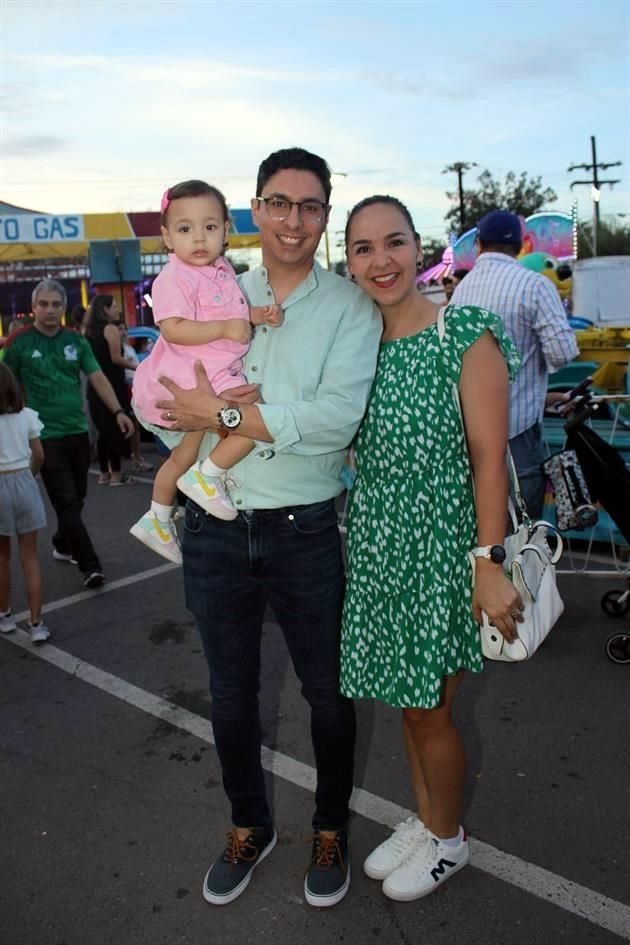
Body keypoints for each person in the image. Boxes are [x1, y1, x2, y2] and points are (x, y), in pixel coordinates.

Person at [155, 148, 382, 907]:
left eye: (310, 206)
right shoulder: (211, 287)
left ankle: (329, 826)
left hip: (305, 527)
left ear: (325, 215)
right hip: (215, 528)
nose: (293, 219)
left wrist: (221, 414)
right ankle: (250, 823)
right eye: (279, 203)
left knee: (326, 692)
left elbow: (331, 421)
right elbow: (169, 398)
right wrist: (177, 422)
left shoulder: (350, 308)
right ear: (255, 208)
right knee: (230, 695)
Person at [340, 195, 522, 902]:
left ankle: (448, 840)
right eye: (362, 248)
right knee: (408, 700)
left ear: (420, 248)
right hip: (381, 540)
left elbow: (487, 457)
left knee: (432, 708)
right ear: (348, 262)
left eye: (393, 242)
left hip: (446, 545)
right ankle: (427, 818)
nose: (380, 260)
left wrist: (488, 562)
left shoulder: (462, 329)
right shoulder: (358, 345)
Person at [130, 179, 283, 564]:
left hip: (210, 371)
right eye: (185, 229)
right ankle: (208, 475)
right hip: (196, 373)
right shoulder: (174, 277)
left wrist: (257, 315)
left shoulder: (220, 270)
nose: (198, 238)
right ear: (167, 237)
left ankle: (158, 519)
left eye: (209, 227)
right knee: (255, 417)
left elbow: (229, 313)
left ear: (225, 231)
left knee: (183, 453)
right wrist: (224, 329)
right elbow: (173, 328)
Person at [3, 279, 134, 589]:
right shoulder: (19, 342)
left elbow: (98, 377)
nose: (50, 310)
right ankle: (90, 565)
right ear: (34, 307)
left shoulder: (76, 341)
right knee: (65, 501)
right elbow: (5, 384)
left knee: (77, 498)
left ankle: (63, 542)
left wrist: (118, 411)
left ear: (63, 308)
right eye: (44, 304)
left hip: (77, 431)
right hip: (42, 436)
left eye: (56, 304)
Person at [451, 209, 579, 518]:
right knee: (522, 528)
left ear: (479, 244)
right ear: (522, 245)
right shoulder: (534, 285)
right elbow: (563, 352)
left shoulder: (461, 291)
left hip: (469, 432)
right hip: (518, 431)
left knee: (482, 524)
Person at [0, 362, 49, 644]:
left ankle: (5, 615)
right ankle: (36, 623)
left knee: (2, 555)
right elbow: (39, 455)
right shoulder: (27, 416)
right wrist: (29, 475)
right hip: (24, 481)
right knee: (29, 557)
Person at [84, 295, 138, 486]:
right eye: (114, 305)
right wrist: (137, 367)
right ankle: (116, 473)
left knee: (102, 431)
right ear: (105, 309)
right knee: (116, 427)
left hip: (94, 384)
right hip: (112, 383)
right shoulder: (111, 328)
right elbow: (116, 358)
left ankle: (104, 473)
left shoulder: (89, 331)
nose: (117, 309)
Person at [118, 323, 153, 473]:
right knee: (133, 425)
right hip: (128, 388)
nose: (123, 332)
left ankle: (137, 458)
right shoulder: (119, 351)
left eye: (124, 329)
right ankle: (135, 459)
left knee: (136, 426)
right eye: (120, 329)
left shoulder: (129, 348)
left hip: (136, 386)